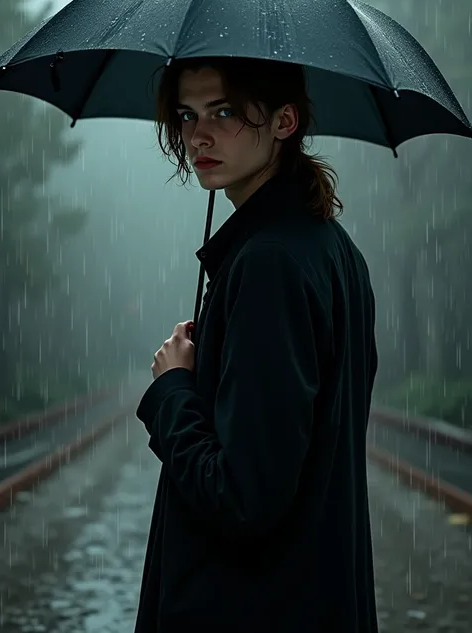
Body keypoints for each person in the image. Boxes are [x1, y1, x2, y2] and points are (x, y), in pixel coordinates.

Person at [134, 56, 379, 633]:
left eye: (225, 111)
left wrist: (172, 391)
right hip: (312, 598)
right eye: (188, 114)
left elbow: (243, 497)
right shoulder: (332, 250)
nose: (199, 135)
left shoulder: (269, 263)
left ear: (284, 121)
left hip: (250, 608)